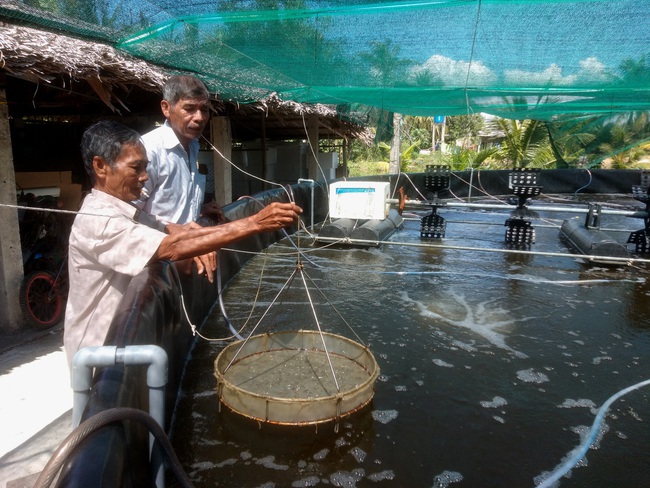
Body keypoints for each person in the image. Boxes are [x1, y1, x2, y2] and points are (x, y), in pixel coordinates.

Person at [63, 120, 302, 367]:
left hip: (123, 344)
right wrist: (257, 223)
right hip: (97, 354)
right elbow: (172, 246)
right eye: (136, 168)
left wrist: (200, 238)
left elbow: (173, 232)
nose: (145, 177)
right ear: (101, 166)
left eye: (146, 167)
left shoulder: (126, 210)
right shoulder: (99, 220)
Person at [136, 74, 223, 225]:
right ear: (166, 108)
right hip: (159, 247)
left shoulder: (193, 145)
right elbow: (126, 213)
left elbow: (166, 205)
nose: (200, 117)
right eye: (189, 108)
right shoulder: (149, 150)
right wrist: (173, 232)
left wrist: (198, 209)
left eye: (204, 109)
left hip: (187, 245)